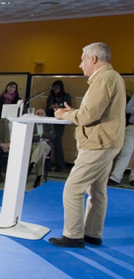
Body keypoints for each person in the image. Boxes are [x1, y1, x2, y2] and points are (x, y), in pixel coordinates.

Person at [50, 42, 125, 248]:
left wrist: (67, 114)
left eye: (83, 59)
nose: (80, 64)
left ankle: (73, 235)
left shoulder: (103, 79)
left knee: (72, 189)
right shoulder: (113, 77)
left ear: (93, 59)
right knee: (97, 191)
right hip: (108, 142)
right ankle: (93, 233)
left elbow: (89, 115)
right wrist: (74, 112)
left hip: (97, 144)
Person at [45, 80, 72, 171]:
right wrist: (50, 107)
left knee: (57, 142)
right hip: (50, 119)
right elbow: (47, 108)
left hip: (60, 121)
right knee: (48, 141)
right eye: (54, 88)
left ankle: (60, 165)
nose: (56, 90)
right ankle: (47, 165)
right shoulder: (50, 97)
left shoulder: (66, 96)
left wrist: (59, 107)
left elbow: (69, 108)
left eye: (57, 88)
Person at [108, 93, 134, 186]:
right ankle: (115, 177)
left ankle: (133, 178)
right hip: (132, 127)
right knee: (125, 153)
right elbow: (127, 108)